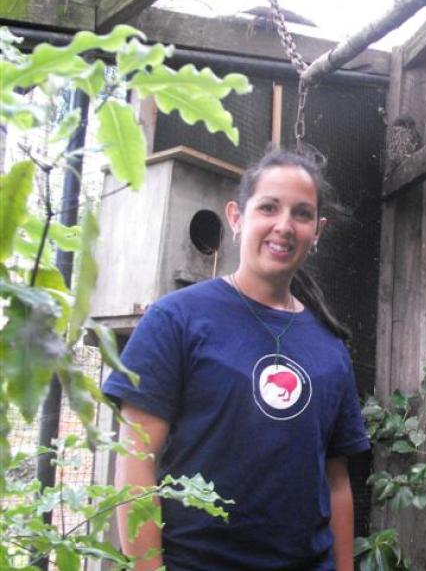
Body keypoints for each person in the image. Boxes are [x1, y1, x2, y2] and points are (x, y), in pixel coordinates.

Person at [103, 146, 369, 571]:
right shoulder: (176, 320)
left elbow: (336, 484)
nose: (284, 226)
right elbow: (137, 463)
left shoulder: (330, 348)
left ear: (317, 231)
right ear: (236, 217)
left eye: (301, 214)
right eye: (268, 207)